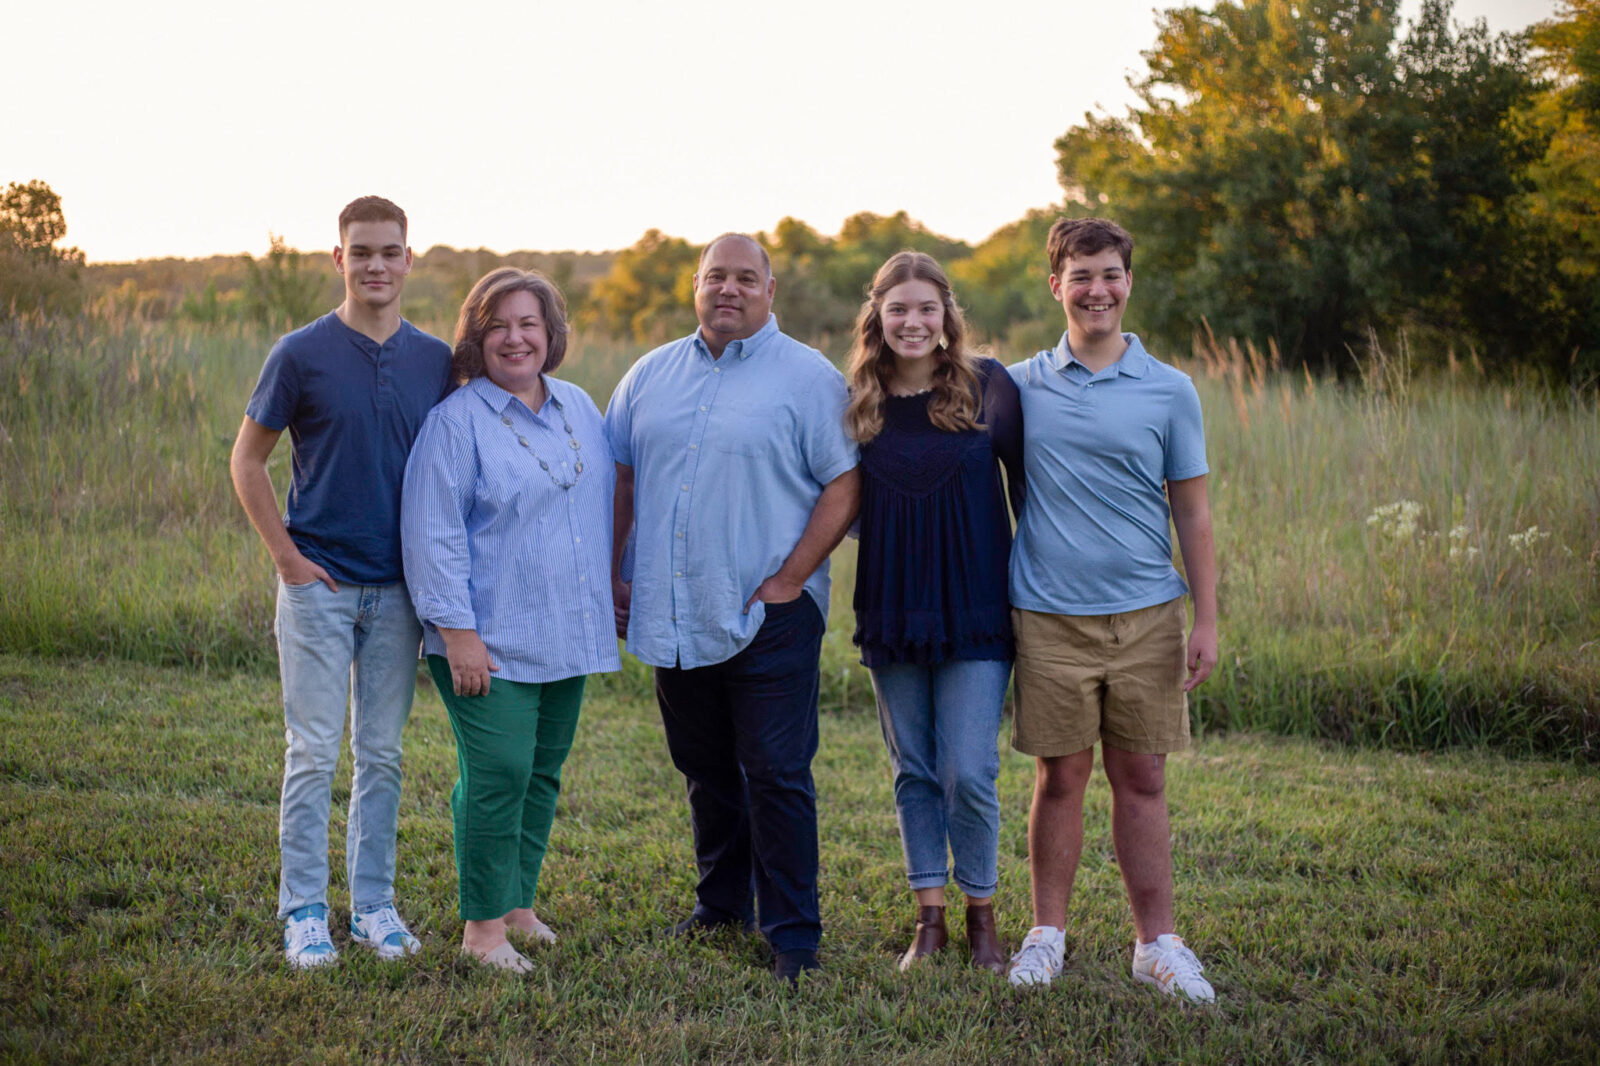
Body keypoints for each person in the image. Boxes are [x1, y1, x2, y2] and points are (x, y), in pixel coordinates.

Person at [604, 233, 859, 984]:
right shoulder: (649, 374)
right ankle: (721, 904)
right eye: (717, 276)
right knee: (705, 765)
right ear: (695, 286)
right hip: (674, 605)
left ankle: (794, 936)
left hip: (771, 609)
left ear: (770, 290)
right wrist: (615, 572)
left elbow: (846, 485)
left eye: (746, 278)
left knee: (777, 771)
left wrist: (792, 578)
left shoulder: (809, 378)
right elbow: (620, 477)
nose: (730, 289)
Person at [230, 196, 452, 968]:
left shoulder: (436, 361)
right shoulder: (300, 353)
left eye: (390, 252)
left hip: (399, 594)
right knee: (314, 752)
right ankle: (303, 912)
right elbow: (247, 460)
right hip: (318, 586)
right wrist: (288, 560)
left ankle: (374, 907)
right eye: (362, 253)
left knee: (383, 755)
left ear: (408, 260)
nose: (377, 266)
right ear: (339, 259)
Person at [1004, 217, 1219, 1002]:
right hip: (1049, 616)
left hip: (1148, 616)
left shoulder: (1170, 389)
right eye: (1081, 275)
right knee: (1059, 777)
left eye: (1110, 274)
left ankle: (1155, 944)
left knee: (1144, 776)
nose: (1097, 289)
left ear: (1128, 283)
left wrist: (1206, 618)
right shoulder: (1019, 386)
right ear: (1055, 283)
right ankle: (1045, 936)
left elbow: (1192, 513)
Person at [401, 268, 618, 974]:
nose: (515, 338)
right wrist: (455, 631)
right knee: (497, 772)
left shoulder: (581, 407)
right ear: (477, 337)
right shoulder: (456, 422)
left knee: (542, 772)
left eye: (529, 324)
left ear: (551, 334)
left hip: (567, 631)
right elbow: (433, 533)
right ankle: (483, 930)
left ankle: (519, 904)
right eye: (499, 326)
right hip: (484, 636)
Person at [844, 252, 1023, 975]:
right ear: (878, 318)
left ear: (947, 315)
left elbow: (1028, 495)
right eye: (898, 309)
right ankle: (930, 919)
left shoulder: (991, 389)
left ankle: (983, 916)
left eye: (926, 308)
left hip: (978, 607)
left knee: (969, 770)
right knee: (913, 769)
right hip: (892, 606)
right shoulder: (859, 398)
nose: (912, 322)